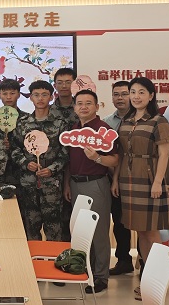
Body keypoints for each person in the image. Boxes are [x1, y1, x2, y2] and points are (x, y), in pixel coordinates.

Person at [112, 77, 169, 301]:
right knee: (140, 231)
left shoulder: (158, 121)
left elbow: (164, 154)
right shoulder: (126, 121)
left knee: (152, 232)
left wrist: (157, 182)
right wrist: (116, 179)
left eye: (141, 92)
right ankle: (147, 279)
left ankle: (159, 281)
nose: (136, 96)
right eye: (133, 92)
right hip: (128, 180)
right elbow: (121, 154)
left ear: (151, 95)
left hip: (148, 180)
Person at [63, 90, 118, 295]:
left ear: (97, 106)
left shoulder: (103, 130)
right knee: (82, 232)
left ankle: (101, 276)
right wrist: (67, 184)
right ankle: (87, 271)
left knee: (98, 233)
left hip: (95, 184)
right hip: (75, 184)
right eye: (79, 103)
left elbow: (115, 159)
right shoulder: (73, 129)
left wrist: (97, 158)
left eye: (88, 103)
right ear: (74, 107)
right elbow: (70, 161)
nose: (83, 107)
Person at [11, 80, 69, 241]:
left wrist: (52, 169)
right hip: (28, 185)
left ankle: (53, 257)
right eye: (36, 95)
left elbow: (65, 152)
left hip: (52, 186)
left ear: (51, 97)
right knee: (31, 231)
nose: (40, 98)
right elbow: (15, 149)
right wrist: (25, 163)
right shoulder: (23, 124)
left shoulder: (60, 124)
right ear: (30, 97)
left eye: (44, 95)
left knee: (54, 231)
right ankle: (33, 258)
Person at [103, 81, 134, 276]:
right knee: (119, 221)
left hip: (136, 179)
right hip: (112, 179)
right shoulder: (106, 123)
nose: (120, 98)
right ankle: (124, 260)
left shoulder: (142, 120)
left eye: (124, 94)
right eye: (116, 94)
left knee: (142, 224)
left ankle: (145, 260)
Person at [0, 79, 29, 208]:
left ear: (19, 94)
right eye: (5, 93)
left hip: (21, 173)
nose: (8, 97)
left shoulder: (27, 118)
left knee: (22, 209)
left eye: (12, 93)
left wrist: (12, 145)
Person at [51, 67, 79, 242]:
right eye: (60, 83)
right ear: (54, 85)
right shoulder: (49, 111)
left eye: (68, 82)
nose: (64, 86)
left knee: (78, 219)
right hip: (55, 172)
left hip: (78, 169)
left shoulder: (82, 107)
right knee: (59, 220)